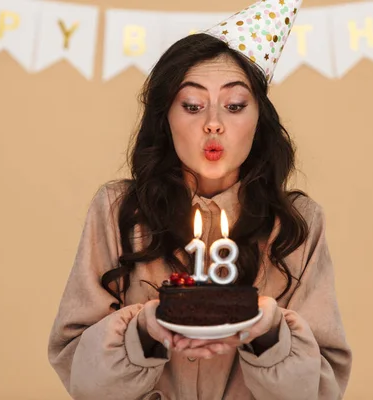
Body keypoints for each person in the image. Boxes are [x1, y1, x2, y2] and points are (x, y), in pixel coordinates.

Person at [48, 0, 352, 399]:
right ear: (166, 116)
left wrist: (268, 334)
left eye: (235, 105)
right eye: (192, 106)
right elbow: (82, 381)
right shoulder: (117, 210)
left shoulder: (299, 224)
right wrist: (145, 332)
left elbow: (320, 391)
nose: (213, 122)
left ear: (259, 118)